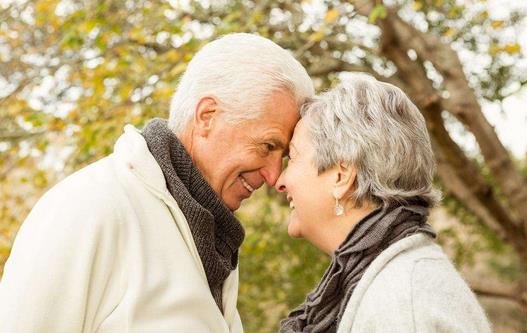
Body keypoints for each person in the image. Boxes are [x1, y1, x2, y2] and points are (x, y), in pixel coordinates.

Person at [0, 33, 314, 333]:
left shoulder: (212, 236)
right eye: (268, 146)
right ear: (207, 116)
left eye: (283, 155)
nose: (274, 176)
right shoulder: (88, 208)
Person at [276, 74, 491, 333]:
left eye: (294, 158)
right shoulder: (393, 280)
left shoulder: (401, 302)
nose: (279, 180)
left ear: (341, 175)